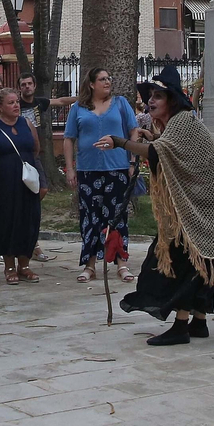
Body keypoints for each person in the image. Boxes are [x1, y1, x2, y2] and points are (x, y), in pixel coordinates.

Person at [98, 66, 214, 346]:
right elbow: (171, 152)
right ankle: (198, 322)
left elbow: (159, 153)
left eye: (157, 96)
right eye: (150, 96)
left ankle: (180, 327)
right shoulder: (174, 126)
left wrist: (120, 142)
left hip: (206, 206)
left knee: (182, 263)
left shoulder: (183, 122)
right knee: (200, 263)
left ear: (172, 100)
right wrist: (152, 138)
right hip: (203, 205)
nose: (150, 101)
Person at [63, 67, 140, 284]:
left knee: (116, 217)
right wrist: (70, 168)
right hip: (88, 170)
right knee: (90, 217)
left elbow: (133, 131)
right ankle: (89, 265)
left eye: (109, 79)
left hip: (117, 168)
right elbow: (69, 139)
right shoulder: (78, 107)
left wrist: (132, 160)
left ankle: (121, 262)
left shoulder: (121, 104)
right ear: (91, 84)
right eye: (102, 79)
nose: (107, 82)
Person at [0, 88, 42, 285]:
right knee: (6, 221)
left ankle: (25, 264)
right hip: (3, 182)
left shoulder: (27, 123)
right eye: (11, 102)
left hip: (26, 181)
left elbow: (36, 148)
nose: (16, 106)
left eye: (17, 102)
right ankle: (9, 266)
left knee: (28, 220)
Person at [18, 74, 72, 265]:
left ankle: (27, 208)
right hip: (19, 154)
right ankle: (29, 243)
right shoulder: (15, 105)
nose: (27, 87)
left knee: (43, 188)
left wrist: (83, 98)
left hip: (35, 154)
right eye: (23, 85)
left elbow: (60, 101)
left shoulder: (39, 103)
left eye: (29, 84)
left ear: (34, 85)